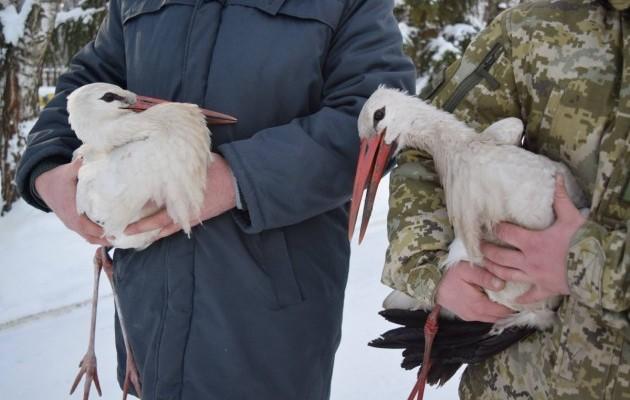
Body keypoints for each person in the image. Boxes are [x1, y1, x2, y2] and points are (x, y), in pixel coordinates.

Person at [15, 1, 415, 399]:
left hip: (269, 330)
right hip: (149, 320)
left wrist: (239, 177)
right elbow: (92, 81)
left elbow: (378, 115)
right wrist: (47, 164)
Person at [384, 0, 629, 398]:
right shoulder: (529, 26)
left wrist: (590, 262)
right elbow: (424, 141)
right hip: (521, 381)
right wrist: (432, 268)